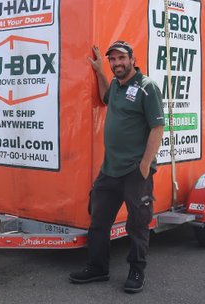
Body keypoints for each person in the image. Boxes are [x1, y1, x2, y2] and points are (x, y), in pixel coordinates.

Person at [69, 40, 165, 294]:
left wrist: (145, 165)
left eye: (121, 58)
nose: (117, 63)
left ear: (133, 60)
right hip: (109, 170)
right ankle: (98, 268)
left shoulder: (147, 88)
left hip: (135, 172)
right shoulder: (116, 85)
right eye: (113, 60)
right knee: (99, 221)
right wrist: (100, 72)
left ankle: (136, 272)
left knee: (137, 224)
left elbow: (157, 127)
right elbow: (104, 97)